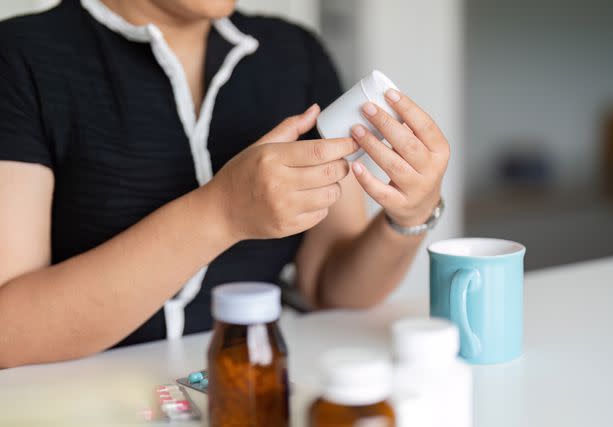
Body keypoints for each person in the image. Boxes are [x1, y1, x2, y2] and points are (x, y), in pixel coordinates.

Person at [0, 0, 449, 368]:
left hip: (255, 383)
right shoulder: (19, 59)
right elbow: (9, 335)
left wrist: (410, 216)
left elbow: (330, 286)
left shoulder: (294, 55)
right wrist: (220, 214)